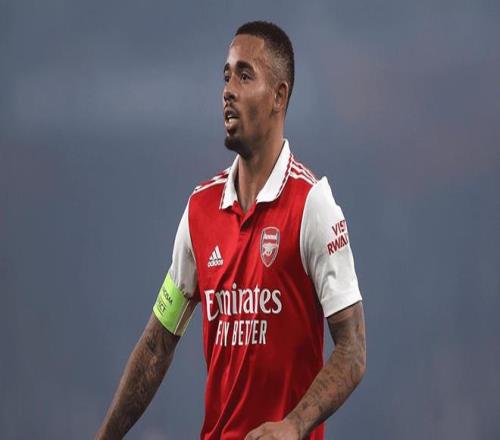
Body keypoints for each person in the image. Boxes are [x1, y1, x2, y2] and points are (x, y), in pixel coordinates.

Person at [96, 21, 366, 440]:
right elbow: (156, 345)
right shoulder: (200, 210)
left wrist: (294, 425)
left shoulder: (313, 205)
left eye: (244, 75)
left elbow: (353, 351)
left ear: (279, 96)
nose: (228, 90)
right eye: (226, 76)